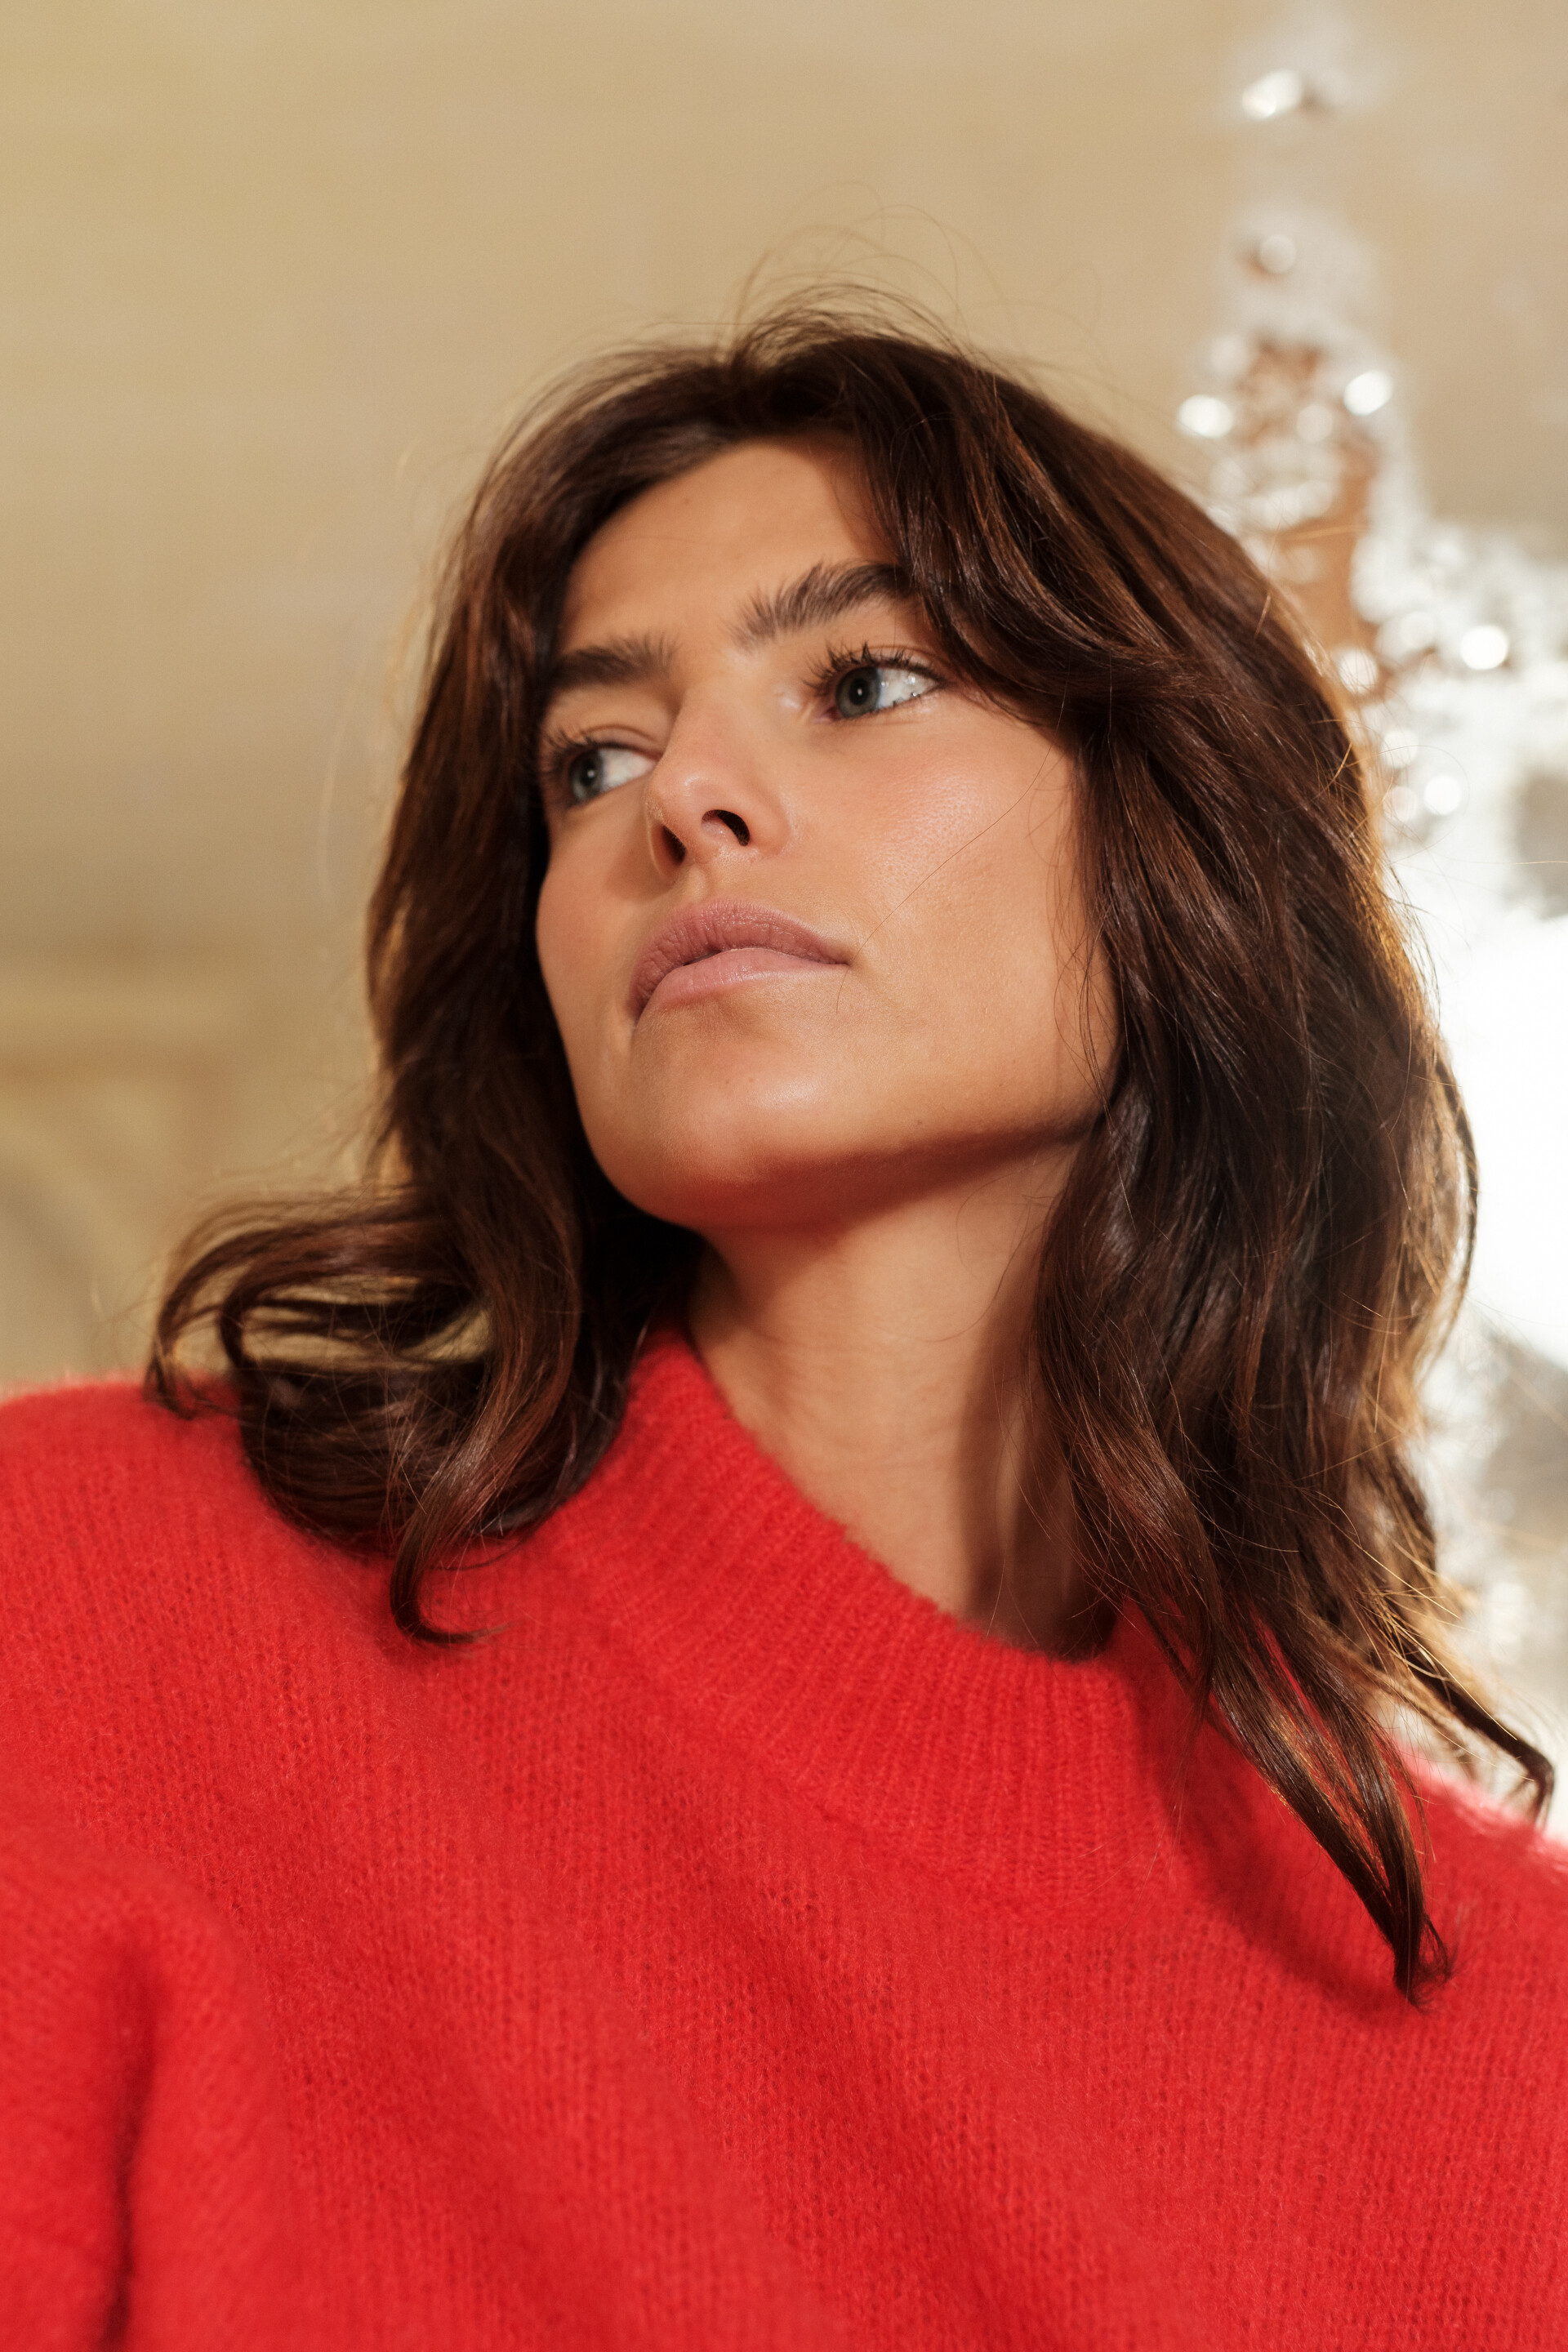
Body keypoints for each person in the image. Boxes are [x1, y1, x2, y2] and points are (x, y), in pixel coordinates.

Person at [2, 302, 1564, 2351]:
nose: (685, 800)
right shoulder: (81, 1603)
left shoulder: (1516, 2042)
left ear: (1180, 842)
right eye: (592, 760)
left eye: (866, 679)